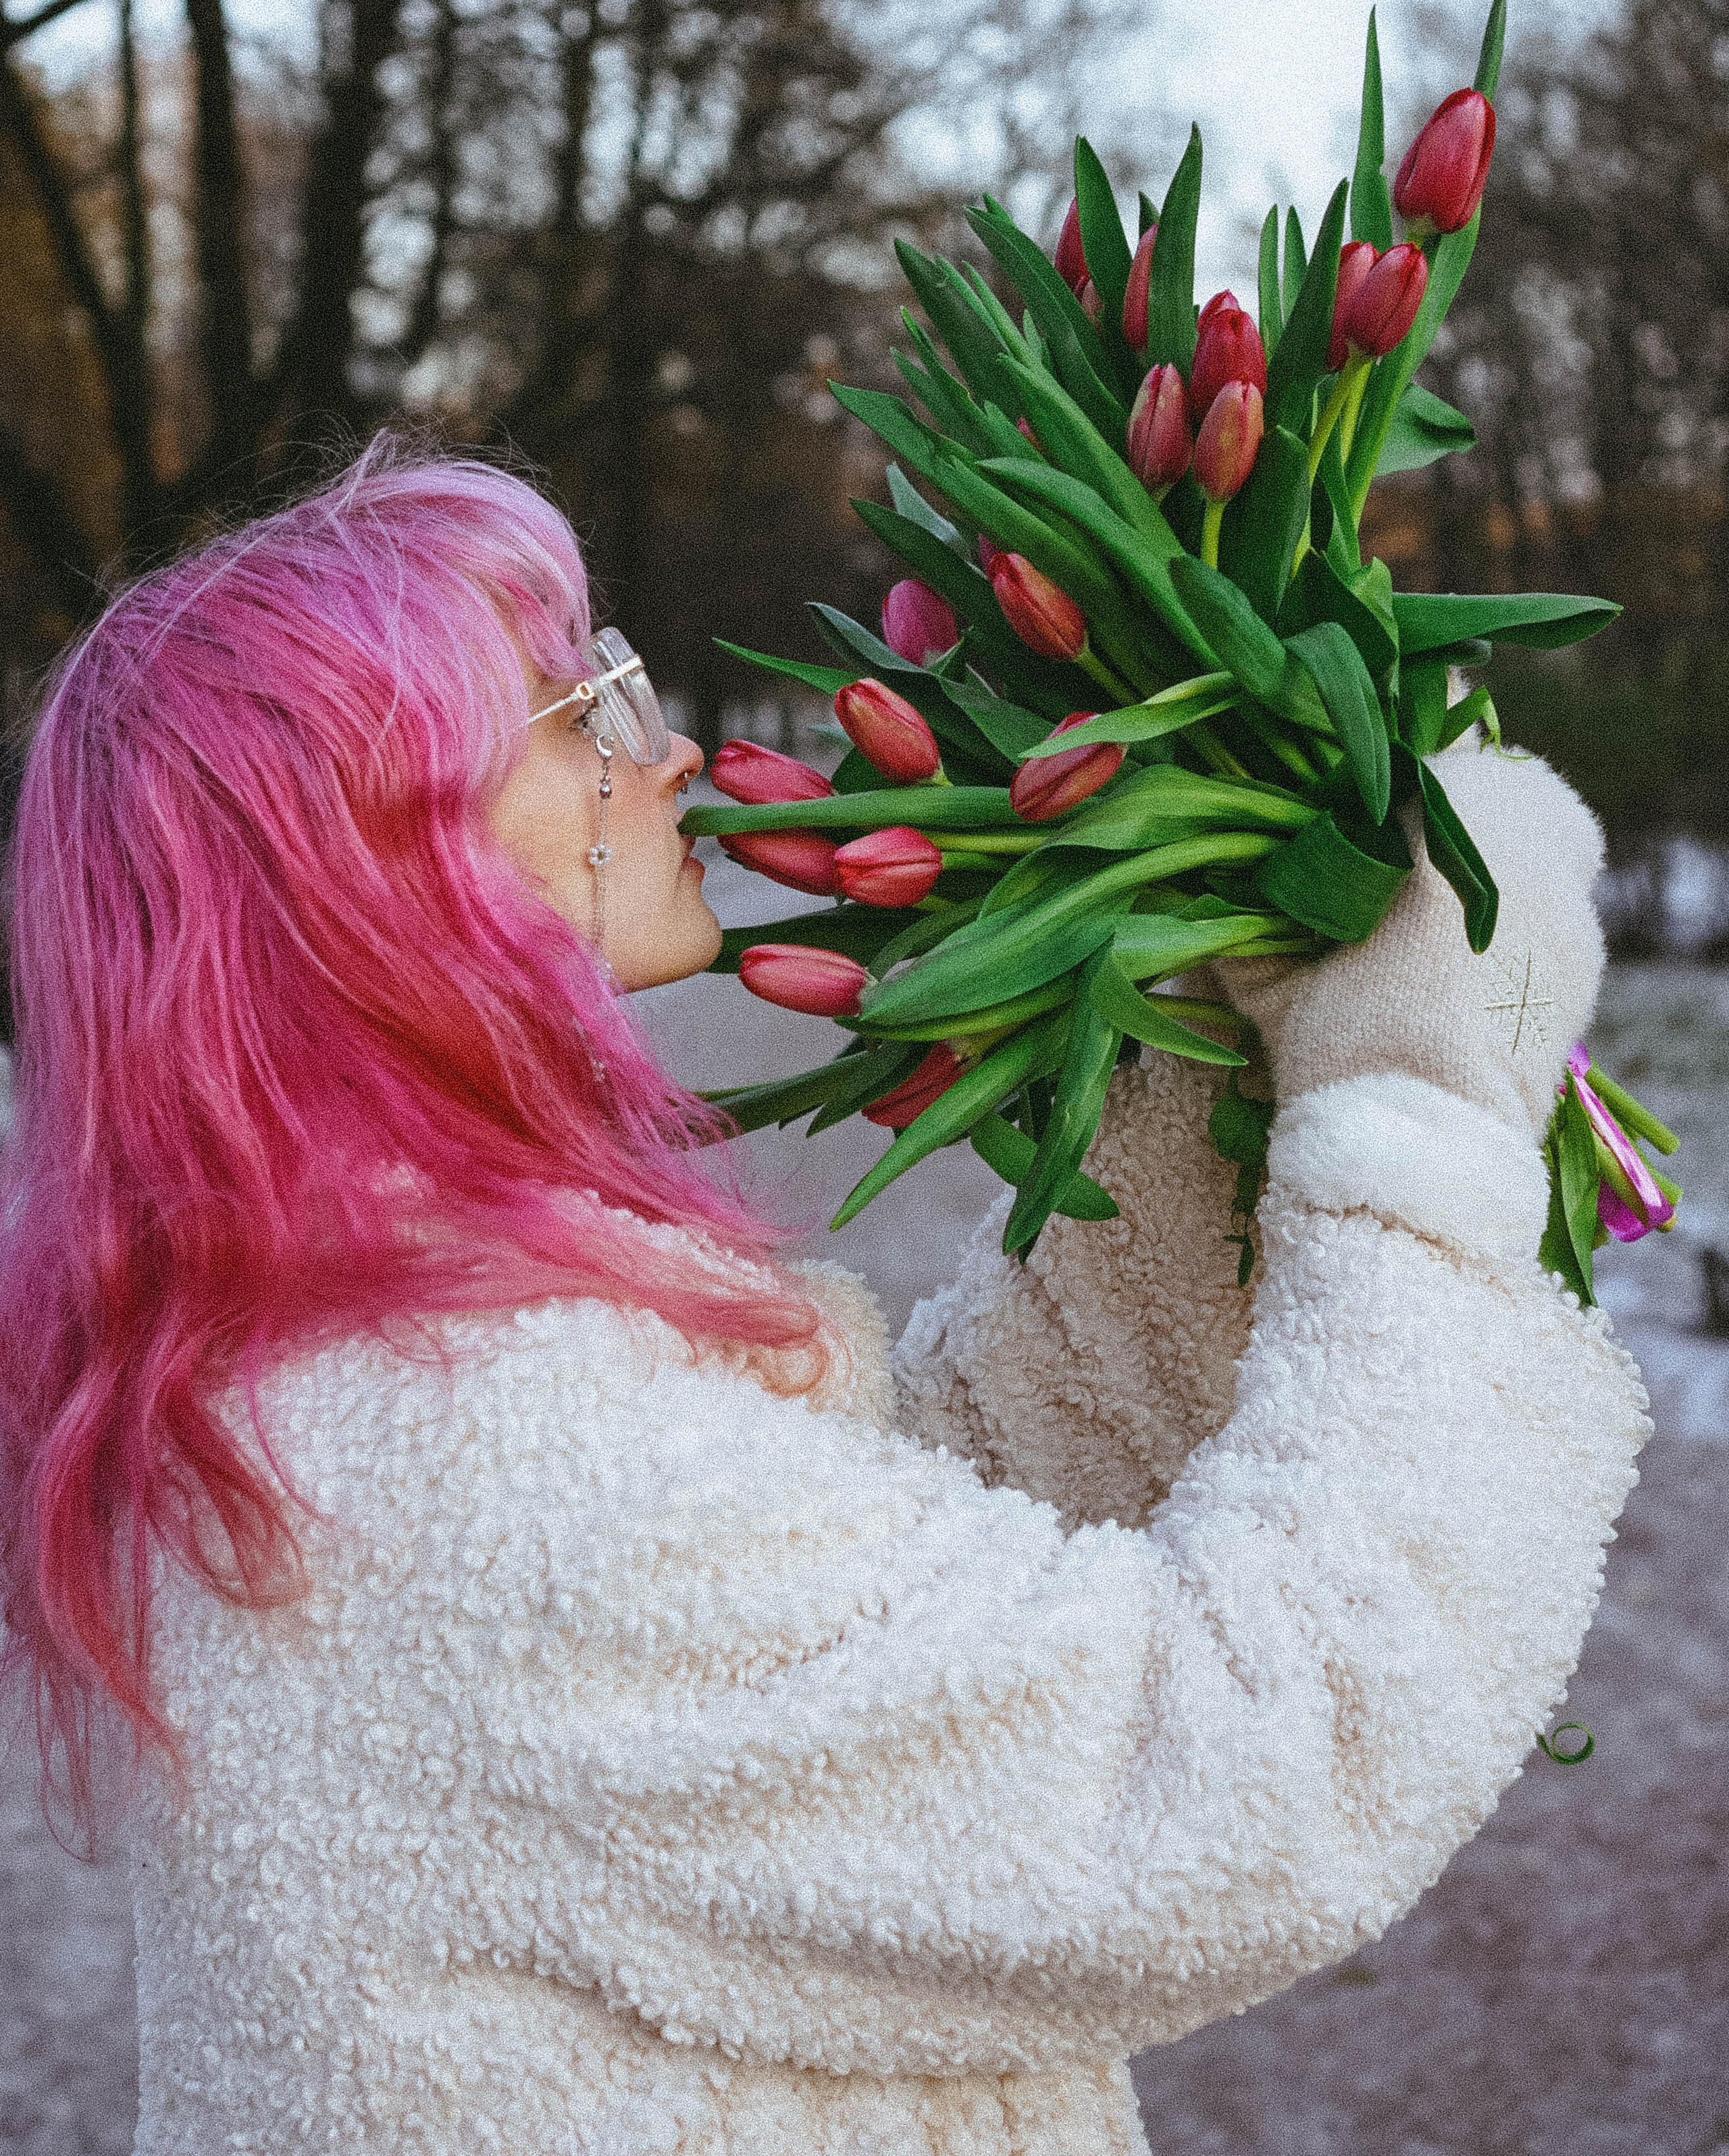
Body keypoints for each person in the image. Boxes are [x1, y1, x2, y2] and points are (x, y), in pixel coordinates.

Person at [0, 443, 1650, 2156]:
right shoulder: (495, 1460)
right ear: (361, 868)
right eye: (581, 710)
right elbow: (1226, 1765)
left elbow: (902, 1581)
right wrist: (1419, 1096)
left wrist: (1186, 1092)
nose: (664, 754)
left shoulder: (360, 1352)